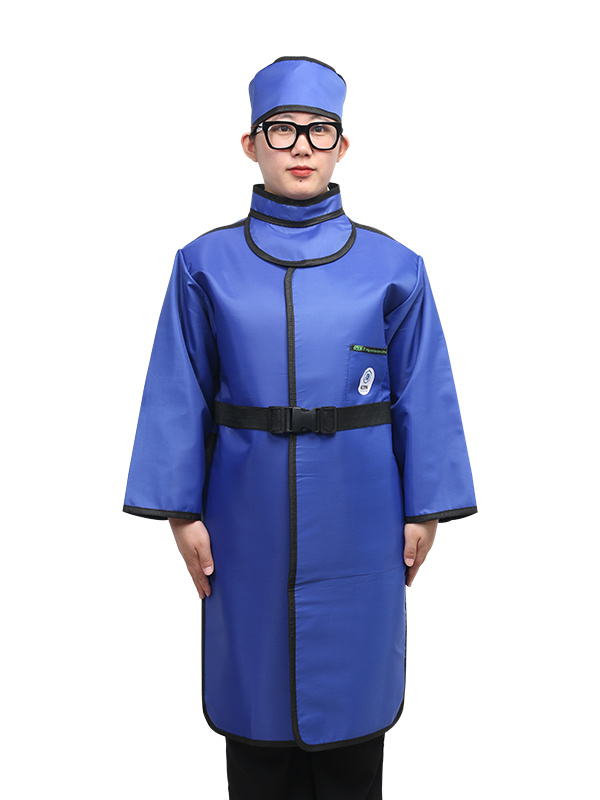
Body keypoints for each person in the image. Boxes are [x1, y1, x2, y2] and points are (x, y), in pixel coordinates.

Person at [123, 56, 477, 800]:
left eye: (320, 130)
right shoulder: (202, 265)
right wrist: (181, 512)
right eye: (282, 129)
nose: (302, 145)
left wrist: (427, 508)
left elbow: (425, 392)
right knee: (255, 716)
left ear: (343, 146)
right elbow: (178, 390)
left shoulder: (395, 267)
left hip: (362, 516)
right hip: (242, 518)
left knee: (353, 714)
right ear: (250, 144)